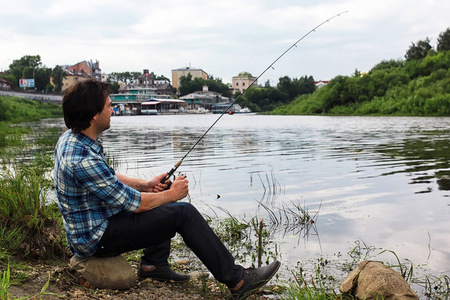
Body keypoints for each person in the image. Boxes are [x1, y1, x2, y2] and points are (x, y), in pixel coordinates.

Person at [54, 79, 280, 299]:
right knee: (184, 212)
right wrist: (171, 195)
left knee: (161, 194)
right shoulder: (81, 158)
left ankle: (154, 265)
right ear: (94, 115)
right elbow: (138, 204)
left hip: (98, 222)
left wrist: (147, 185)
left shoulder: (74, 139)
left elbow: (108, 178)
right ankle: (239, 281)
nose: (113, 111)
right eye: (109, 106)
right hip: (94, 239)